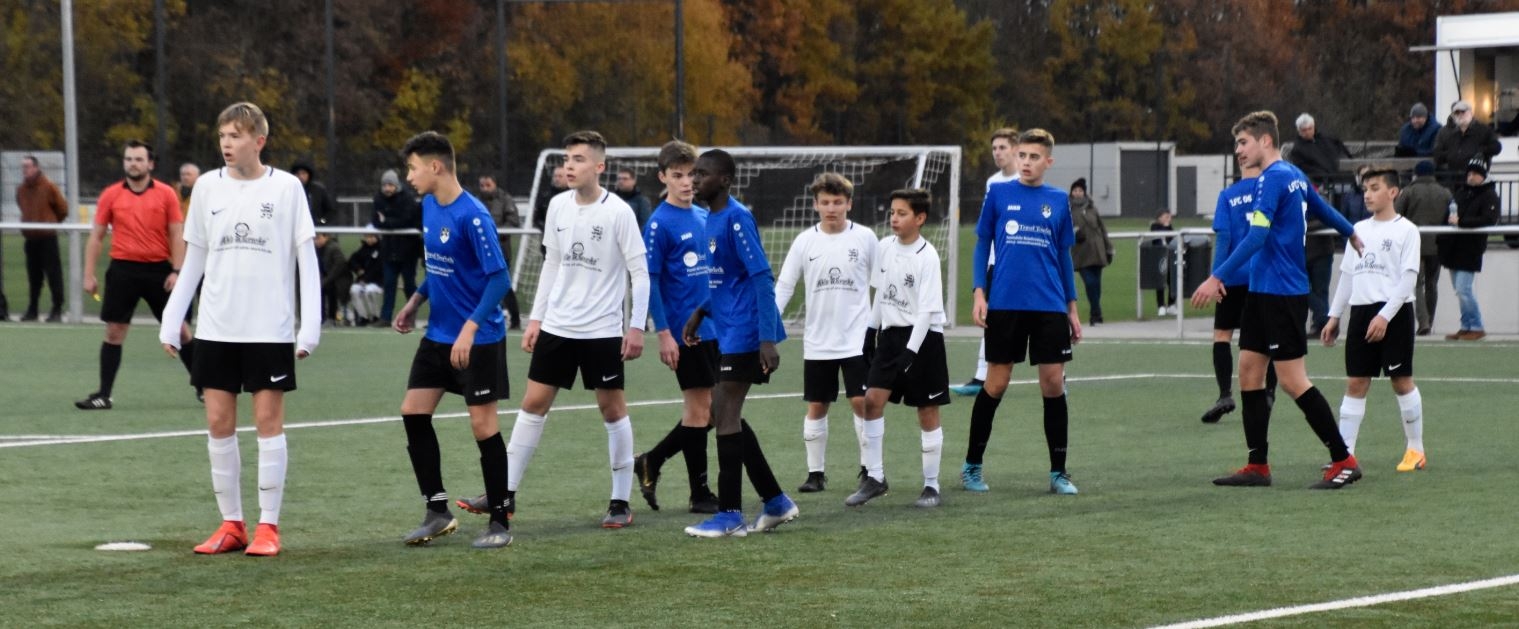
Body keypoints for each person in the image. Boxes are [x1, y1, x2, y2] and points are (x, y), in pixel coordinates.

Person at [158, 101, 321, 557]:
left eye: (236, 135)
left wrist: (310, 327)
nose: (227, 144)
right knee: (217, 423)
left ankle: (269, 527)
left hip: (268, 329)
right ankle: (232, 524)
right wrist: (172, 319)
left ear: (259, 141)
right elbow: (195, 259)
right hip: (216, 327)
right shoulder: (207, 187)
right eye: (223, 136)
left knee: (268, 423)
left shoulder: (287, 188)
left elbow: (306, 260)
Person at [1191, 110, 1364, 490]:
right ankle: (1258, 465)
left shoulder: (1273, 178)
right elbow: (1322, 209)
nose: (1238, 151)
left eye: (1243, 142)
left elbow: (1256, 237)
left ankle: (1344, 459)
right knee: (1249, 372)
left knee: (1292, 380)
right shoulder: (1293, 175)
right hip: (1261, 292)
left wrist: (1216, 277)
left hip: (1283, 293)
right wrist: (1351, 231)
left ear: (1265, 140)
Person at [488, 130, 648, 529]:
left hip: (602, 330)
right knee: (533, 403)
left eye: (578, 159)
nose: (569, 166)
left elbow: (640, 272)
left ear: (599, 166)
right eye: (566, 159)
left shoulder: (619, 212)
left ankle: (620, 501)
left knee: (612, 410)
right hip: (558, 326)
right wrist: (536, 318)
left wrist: (635, 326)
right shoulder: (558, 206)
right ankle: (505, 493)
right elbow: (553, 264)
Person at [387, 131, 515, 550]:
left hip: (479, 339)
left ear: (436, 166)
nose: (409, 176)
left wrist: (471, 327)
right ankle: (437, 511)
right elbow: (441, 267)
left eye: (412, 168)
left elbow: (499, 279)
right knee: (413, 412)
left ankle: (499, 521)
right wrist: (415, 301)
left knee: (483, 426)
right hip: (438, 335)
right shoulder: (428, 205)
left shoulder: (473, 216)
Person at [681, 149, 798, 538]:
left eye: (702, 174)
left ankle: (730, 514)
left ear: (725, 180)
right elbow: (725, 279)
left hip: (748, 330)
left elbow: (761, 277)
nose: (694, 180)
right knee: (721, 411)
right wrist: (701, 312)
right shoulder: (710, 220)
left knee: (726, 412)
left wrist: (767, 338)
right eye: (693, 173)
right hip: (728, 328)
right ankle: (775, 501)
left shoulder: (736, 217)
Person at [964, 128, 1082, 496]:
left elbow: (1063, 256)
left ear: (1049, 161)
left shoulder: (1058, 200)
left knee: (1054, 383)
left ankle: (1058, 472)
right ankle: (972, 466)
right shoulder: (999, 194)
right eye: (1023, 156)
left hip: (1049, 305)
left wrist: (1072, 308)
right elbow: (982, 243)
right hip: (1005, 303)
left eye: (1034, 157)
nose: (1027, 162)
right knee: (996, 383)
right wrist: (979, 292)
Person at [630, 140, 721, 514]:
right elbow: (649, 281)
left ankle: (651, 460)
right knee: (700, 410)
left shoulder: (703, 215)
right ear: (662, 177)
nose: (687, 182)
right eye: (678, 175)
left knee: (714, 412)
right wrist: (664, 333)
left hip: (715, 329)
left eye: (692, 174)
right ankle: (700, 494)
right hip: (686, 333)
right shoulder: (658, 224)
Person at [774, 172, 877, 494]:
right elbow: (785, 285)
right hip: (818, 340)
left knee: (862, 402)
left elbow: (882, 281)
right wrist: (769, 324)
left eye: (837, 202)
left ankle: (869, 470)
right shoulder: (805, 241)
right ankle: (815, 474)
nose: (831, 208)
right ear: (815, 205)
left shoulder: (865, 238)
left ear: (849, 204)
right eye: (825, 202)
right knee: (817, 405)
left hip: (857, 338)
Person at [1320, 165, 1426, 473]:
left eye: (1375, 188)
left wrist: (1384, 316)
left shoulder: (1407, 230)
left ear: (1393, 192)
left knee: (1401, 381)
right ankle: (1345, 455)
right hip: (1361, 312)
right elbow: (1347, 275)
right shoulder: (1358, 229)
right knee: (1356, 382)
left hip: (1395, 312)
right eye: (1365, 189)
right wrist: (1334, 315)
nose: (1367, 194)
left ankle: (1416, 449)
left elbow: (1408, 280)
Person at [76, 140, 196, 410]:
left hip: (159, 271)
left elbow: (177, 234)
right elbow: (96, 237)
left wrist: (177, 271)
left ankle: (204, 387)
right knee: (114, 331)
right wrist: (88, 274)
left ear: (150, 164)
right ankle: (103, 395)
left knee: (180, 329)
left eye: (139, 159)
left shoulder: (166, 194)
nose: (133, 164)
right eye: (129, 159)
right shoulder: (111, 195)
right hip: (122, 270)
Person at [853, 188, 950, 509]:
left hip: (923, 340)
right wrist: (870, 331)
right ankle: (875, 477)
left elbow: (927, 312)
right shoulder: (884, 248)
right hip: (890, 337)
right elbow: (881, 295)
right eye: (892, 212)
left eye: (902, 213)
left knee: (926, 410)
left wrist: (911, 352)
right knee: (871, 401)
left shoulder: (928, 256)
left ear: (919, 218)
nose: (894, 218)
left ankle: (931, 485)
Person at [1201, 164, 1279, 424]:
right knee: (1267, 337)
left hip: (1233, 275)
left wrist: (1217, 276)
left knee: (1222, 335)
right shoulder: (1270, 189)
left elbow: (1224, 237)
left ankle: (1225, 395)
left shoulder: (1228, 195)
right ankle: (1268, 392)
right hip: (1264, 275)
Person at [952, 127, 1020, 396]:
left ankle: (1057, 375)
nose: (997, 153)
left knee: (1036, 316)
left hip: (1023, 262)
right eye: (994, 148)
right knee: (991, 317)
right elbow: (987, 225)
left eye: (1002, 147)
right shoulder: (993, 182)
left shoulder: (1026, 179)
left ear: (1015, 149)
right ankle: (981, 376)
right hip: (996, 262)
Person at [1437, 158, 1500, 341]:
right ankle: (1466, 326)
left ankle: (1477, 326)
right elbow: (1449, 216)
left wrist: (1462, 222)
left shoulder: (1489, 195)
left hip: (1470, 248)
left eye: (1475, 174)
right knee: (1460, 290)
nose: (1471, 177)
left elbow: (1488, 219)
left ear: (1483, 176)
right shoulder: (1461, 192)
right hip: (1453, 247)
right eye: (1469, 173)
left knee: (1463, 289)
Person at [1394, 160, 1452, 336]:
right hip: (1438, 244)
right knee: (1432, 284)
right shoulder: (1445, 192)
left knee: (1416, 284)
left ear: (1416, 174)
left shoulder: (1409, 192)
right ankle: (1430, 320)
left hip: (1414, 245)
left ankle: (1423, 321)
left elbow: (1396, 215)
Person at [16, 155, 68, 322]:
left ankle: (57, 309)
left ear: (36, 168)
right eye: (23, 167)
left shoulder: (48, 186)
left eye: (28, 166)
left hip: (47, 239)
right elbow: (22, 206)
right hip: (31, 239)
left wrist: (50, 223)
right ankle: (33, 309)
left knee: (53, 275)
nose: (25, 170)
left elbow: (62, 209)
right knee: (33, 277)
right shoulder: (21, 189)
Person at [372, 169, 421, 327]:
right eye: (385, 185)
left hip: (407, 250)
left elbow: (407, 220)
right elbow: (376, 221)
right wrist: (389, 222)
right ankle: (385, 317)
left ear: (396, 185)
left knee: (409, 285)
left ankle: (411, 316)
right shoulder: (378, 199)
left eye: (390, 185)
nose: (387, 188)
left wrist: (387, 221)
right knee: (389, 284)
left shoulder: (407, 198)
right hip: (389, 249)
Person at [477, 174, 522, 329]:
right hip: (480, 252)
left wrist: (493, 234)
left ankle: (515, 319)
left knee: (503, 286)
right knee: (479, 286)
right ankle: (482, 320)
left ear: (495, 184)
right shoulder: (476, 201)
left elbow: (513, 222)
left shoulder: (505, 199)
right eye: (482, 186)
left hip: (500, 251)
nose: (484, 189)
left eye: (488, 185)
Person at [1068, 178, 1112, 325]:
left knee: (1096, 285)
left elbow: (1102, 229)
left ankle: (1096, 315)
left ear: (1084, 192)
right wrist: (1074, 234)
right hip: (1080, 253)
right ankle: (1096, 314)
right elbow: (1063, 229)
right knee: (1090, 283)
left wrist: (1108, 248)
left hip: (1097, 251)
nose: (1077, 193)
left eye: (1080, 190)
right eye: (1075, 190)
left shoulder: (1092, 208)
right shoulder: (1067, 209)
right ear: (1071, 193)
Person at [1432, 101, 1502, 189]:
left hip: (1477, 181)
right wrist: (1451, 156)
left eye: (1463, 111)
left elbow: (1496, 147)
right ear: (1453, 116)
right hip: (1455, 181)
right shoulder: (1451, 135)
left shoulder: (1483, 131)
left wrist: (1481, 152)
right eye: (1457, 113)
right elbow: (1438, 155)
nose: (1460, 115)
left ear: (1470, 113)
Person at [1287, 113, 1351, 185]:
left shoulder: (1327, 138)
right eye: (1304, 130)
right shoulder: (1297, 150)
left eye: (1310, 128)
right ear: (1299, 131)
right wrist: (1325, 177)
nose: (1307, 132)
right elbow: (1305, 170)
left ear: (1314, 127)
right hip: (1323, 183)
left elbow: (1343, 151)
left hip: (1343, 176)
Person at [347, 233, 384, 326]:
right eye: (367, 237)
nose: (369, 239)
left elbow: (378, 268)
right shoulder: (363, 249)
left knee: (370, 291)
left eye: (371, 237)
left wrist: (366, 279)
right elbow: (352, 261)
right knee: (354, 290)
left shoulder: (382, 249)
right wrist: (358, 269)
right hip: (363, 280)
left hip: (378, 282)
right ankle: (363, 317)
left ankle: (376, 316)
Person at [315, 233, 349, 325]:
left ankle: (331, 317)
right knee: (319, 287)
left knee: (330, 288)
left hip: (340, 280)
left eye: (318, 238)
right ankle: (320, 316)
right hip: (328, 279)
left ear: (326, 237)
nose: (316, 241)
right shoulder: (318, 249)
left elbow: (339, 267)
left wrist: (325, 280)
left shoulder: (333, 248)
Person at [1149, 211, 1177, 316]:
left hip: (1170, 257)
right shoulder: (1154, 226)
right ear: (1159, 218)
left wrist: (1167, 227)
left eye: (1169, 217)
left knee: (1172, 280)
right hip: (1159, 257)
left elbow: (1171, 239)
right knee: (1160, 281)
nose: (1169, 219)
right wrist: (1165, 227)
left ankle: (1171, 305)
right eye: (1166, 217)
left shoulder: (1170, 227)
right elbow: (1157, 238)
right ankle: (1161, 306)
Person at [533, 165, 568, 230]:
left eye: (560, 176)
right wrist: (548, 229)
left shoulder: (576, 196)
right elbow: (538, 219)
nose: (557, 179)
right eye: (555, 176)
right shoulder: (545, 196)